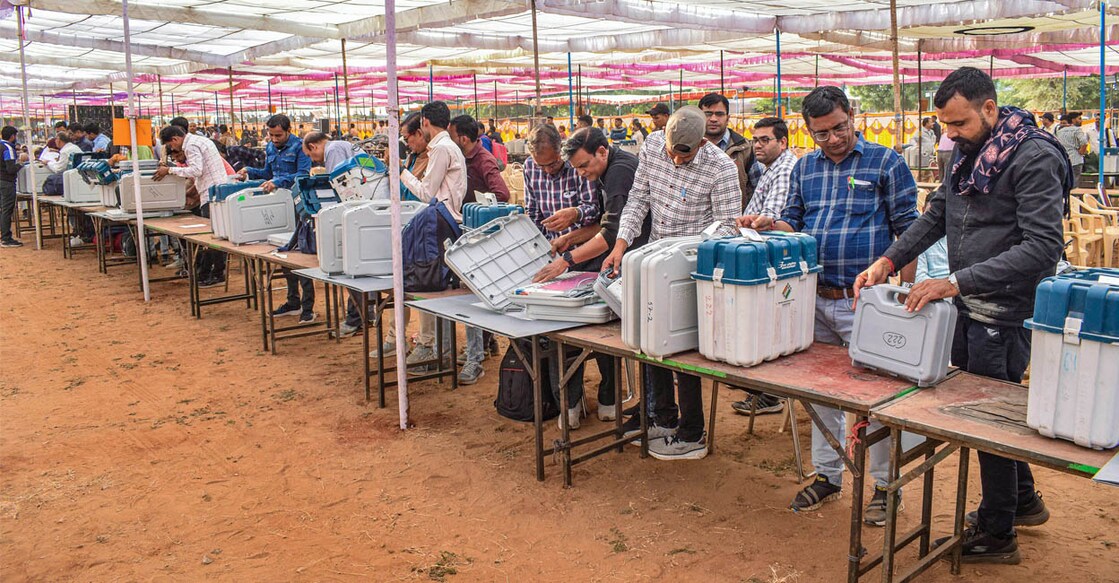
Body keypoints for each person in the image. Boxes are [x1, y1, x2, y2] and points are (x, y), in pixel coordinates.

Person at [856, 66, 1064, 564]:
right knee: (990, 416)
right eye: (945, 125)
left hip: (1005, 308)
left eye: (959, 124)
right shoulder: (967, 154)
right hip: (969, 303)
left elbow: (1043, 247)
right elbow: (936, 216)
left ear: (990, 109)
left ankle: (997, 534)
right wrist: (889, 258)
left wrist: (955, 281)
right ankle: (1021, 502)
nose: (949, 135)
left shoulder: (1034, 158)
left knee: (987, 422)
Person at [738, 85, 919, 524]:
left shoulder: (886, 162)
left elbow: (911, 232)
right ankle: (828, 475)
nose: (834, 138)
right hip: (815, 296)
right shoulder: (805, 169)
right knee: (820, 397)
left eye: (840, 127)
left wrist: (901, 295)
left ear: (851, 115)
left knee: (875, 397)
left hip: (868, 302)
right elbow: (794, 224)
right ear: (808, 132)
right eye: (822, 133)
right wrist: (768, 224)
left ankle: (883, 485)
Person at [601, 106, 741, 460]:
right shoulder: (649, 147)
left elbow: (729, 226)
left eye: (686, 155)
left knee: (683, 349)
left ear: (702, 145)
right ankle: (661, 416)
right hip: (653, 258)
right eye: (671, 152)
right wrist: (621, 244)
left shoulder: (721, 168)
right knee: (649, 340)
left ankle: (693, 431)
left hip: (692, 265)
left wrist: (688, 251)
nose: (677, 161)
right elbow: (639, 199)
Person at [539, 126, 647, 424]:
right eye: (577, 168)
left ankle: (614, 400)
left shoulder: (620, 172)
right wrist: (570, 239)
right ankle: (587, 403)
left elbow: (612, 234)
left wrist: (567, 260)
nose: (582, 173)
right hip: (620, 259)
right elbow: (603, 224)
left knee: (609, 333)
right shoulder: (605, 170)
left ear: (602, 151)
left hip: (634, 260)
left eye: (584, 166)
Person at [518, 124, 603, 427]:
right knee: (559, 335)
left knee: (598, 329)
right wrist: (541, 251)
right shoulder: (530, 168)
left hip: (588, 255)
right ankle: (569, 403)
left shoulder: (577, 164)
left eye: (553, 163)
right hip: (554, 260)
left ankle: (608, 396)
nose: (549, 170)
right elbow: (532, 213)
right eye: (542, 165)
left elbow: (595, 212)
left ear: (561, 150)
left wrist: (574, 214)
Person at [729, 116, 798, 417]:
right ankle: (767, 390)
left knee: (774, 327)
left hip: (775, 259)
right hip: (769, 256)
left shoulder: (784, 170)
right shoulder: (767, 169)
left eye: (765, 140)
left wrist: (752, 223)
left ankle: (771, 393)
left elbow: (773, 220)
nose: (757, 145)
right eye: (755, 140)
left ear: (783, 142)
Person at [402, 101, 467, 372]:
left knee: (434, 289)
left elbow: (428, 193)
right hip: (447, 222)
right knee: (441, 290)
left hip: (441, 222)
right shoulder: (447, 146)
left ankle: (441, 353)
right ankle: (441, 351)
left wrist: (401, 173)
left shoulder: (441, 148)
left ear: (425, 122)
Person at [448, 114, 512, 385]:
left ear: (463, 138)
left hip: (482, 239)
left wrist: (478, 208)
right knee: (481, 293)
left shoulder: (483, 160)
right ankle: (488, 344)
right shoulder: (465, 159)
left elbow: (503, 194)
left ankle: (475, 359)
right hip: (473, 235)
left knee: (472, 296)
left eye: (452, 136)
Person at [240, 114, 315, 322]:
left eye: (278, 135)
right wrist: (250, 172)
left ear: (288, 131)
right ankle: (293, 301)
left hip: (298, 205)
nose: (274, 139)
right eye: (271, 135)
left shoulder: (300, 147)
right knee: (283, 253)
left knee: (301, 256)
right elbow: (267, 172)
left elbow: (302, 174)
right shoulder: (270, 148)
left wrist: (279, 181)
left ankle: (308, 307)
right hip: (278, 206)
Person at [153, 125, 232, 286]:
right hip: (216, 191)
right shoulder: (200, 140)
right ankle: (213, 272)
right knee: (216, 235)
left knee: (212, 237)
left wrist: (169, 171)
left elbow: (196, 170)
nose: (172, 149)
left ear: (175, 139)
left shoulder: (190, 146)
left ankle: (216, 274)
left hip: (211, 194)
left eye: (171, 146)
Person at [698, 92, 757, 210]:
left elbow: (758, 189)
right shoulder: (688, 146)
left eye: (719, 114)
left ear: (728, 118)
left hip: (734, 220)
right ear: (698, 116)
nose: (713, 119)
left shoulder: (745, 148)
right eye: (708, 114)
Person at [1, 126, 27, 248]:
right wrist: (21, 164)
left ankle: (4, 236)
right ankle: (6, 238)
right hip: (7, 182)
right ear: (12, 136)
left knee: (2, 209)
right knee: (7, 210)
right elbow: (11, 169)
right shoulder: (7, 148)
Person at [1056, 112, 1088, 186]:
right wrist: (1081, 152)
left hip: (1064, 159)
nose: (1081, 120)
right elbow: (1084, 142)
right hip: (1076, 160)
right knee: (1074, 183)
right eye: (1079, 118)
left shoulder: (1059, 131)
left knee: (1065, 183)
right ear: (1073, 120)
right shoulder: (1077, 130)